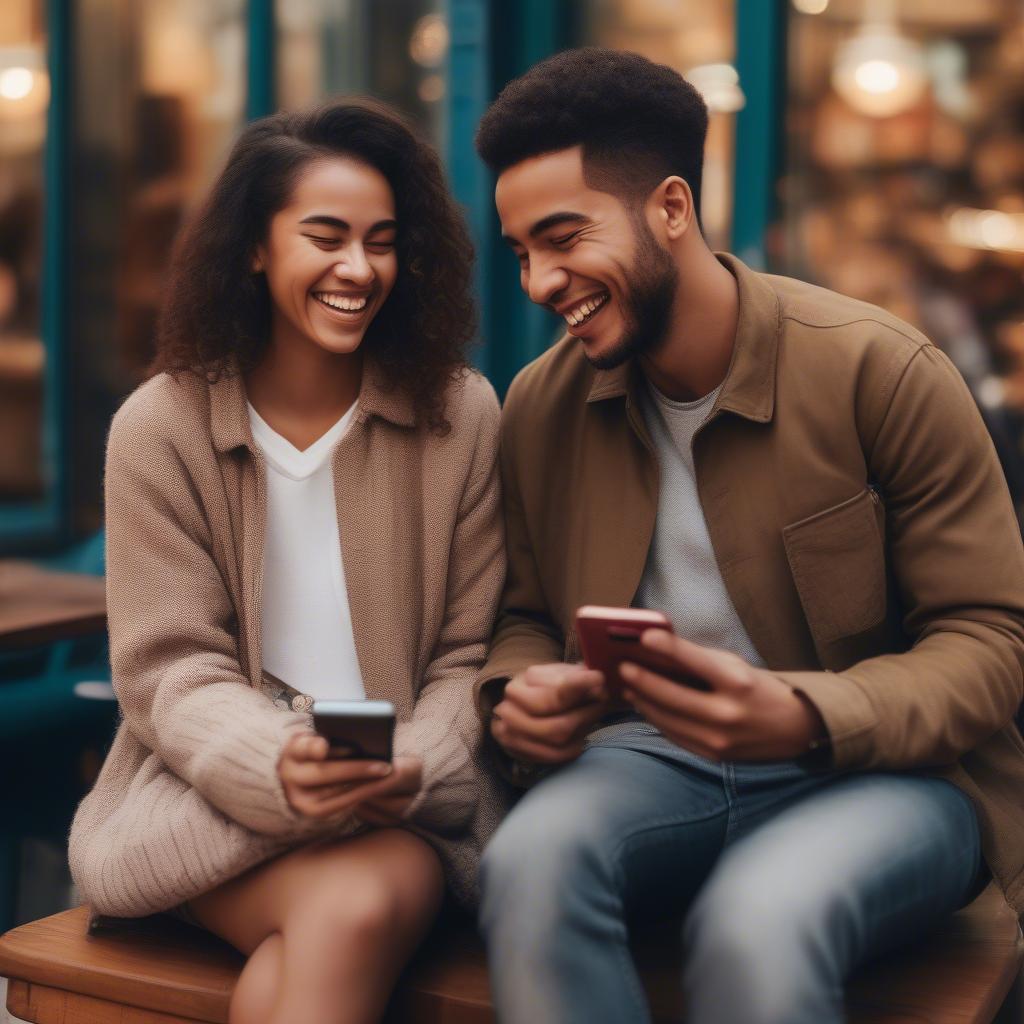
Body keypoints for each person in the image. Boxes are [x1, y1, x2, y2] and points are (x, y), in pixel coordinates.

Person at [472, 48, 1024, 1024]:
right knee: (524, 862)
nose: (538, 281)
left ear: (671, 208)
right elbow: (522, 615)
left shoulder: (878, 371)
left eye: (562, 238)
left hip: (889, 772)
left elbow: (989, 643)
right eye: (520, 252)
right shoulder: (540, 406)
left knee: (757, 919)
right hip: (647, 761)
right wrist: (515, 696)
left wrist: (808, 715)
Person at [69, 99, 505, 1024]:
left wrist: (411, 765)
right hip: (212, 805)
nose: (359, 268)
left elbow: (473, 655)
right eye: (326, 236)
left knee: (343, 910)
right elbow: (168, 671)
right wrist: (277, 764)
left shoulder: (460, 415)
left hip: (402, 806)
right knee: (351, 907)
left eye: (383, 241)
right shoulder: (162, 427)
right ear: (256, 248)